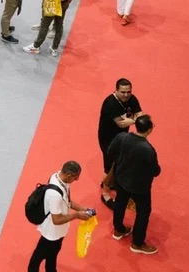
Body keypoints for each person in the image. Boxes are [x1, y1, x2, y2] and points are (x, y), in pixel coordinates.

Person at [106, 115, 160, 255]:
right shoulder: (148, 150)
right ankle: (137, 243)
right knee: (143, 213)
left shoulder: (122, 137)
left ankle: (118, 229)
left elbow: (110, 152)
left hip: (121, 180)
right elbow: (155, 171)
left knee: (120, 203)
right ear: (149, 130)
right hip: (139, 187)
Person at [28, 160, 93, 272]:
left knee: (53, 253)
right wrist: (77, 215)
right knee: (38, 256)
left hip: (58, 231)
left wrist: (83, 209)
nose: (77, 180)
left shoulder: (59, 177)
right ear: (69, 175)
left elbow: (67, 201)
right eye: (75, 177)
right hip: (51, 232)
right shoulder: (54, 195)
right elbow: (56, 220)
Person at [97, 78, 144, 207]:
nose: (126, 95)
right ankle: (105, 194)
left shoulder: (132, 99)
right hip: (108, 140)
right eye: (123, 92)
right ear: (116, 90)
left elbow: (141, 116)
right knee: (109, 167)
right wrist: (135, 120)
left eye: (128, 91)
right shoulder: (110, 103)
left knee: (119, 163)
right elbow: (122, 123)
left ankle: (111, 182)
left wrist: (132, 120)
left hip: (122, 138)